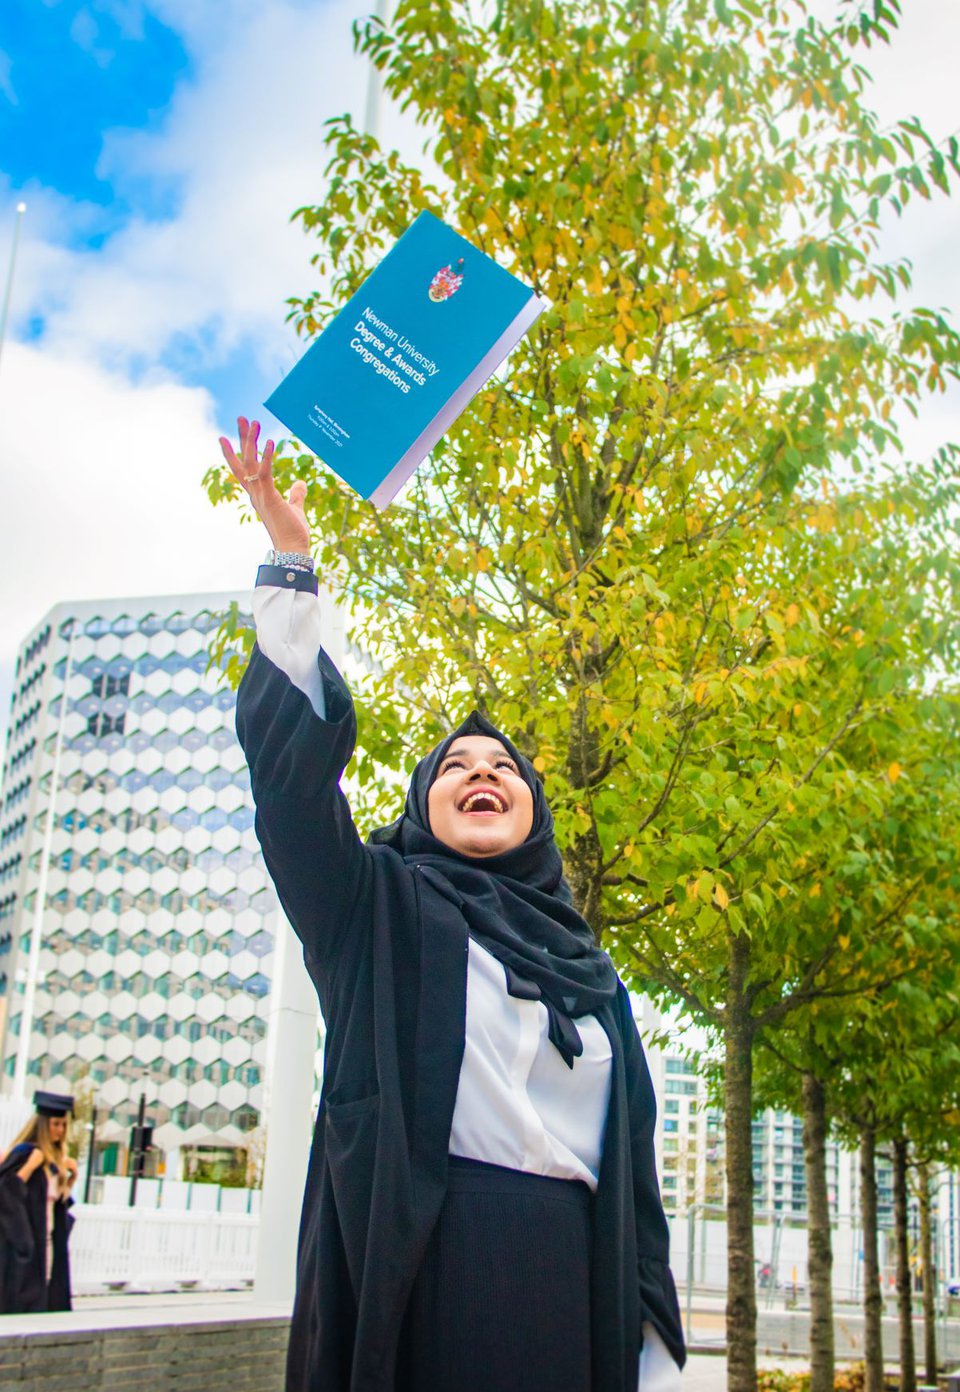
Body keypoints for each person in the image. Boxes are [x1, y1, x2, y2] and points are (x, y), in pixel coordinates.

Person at [221, 417, 686, 1392]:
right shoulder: (373, 908)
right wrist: (292, 567)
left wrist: (649, 1342)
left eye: (503, 768)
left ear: (535, 811)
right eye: (456, 770)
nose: (482, 775)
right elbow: (291, 788)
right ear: (423, 805)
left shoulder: (591, 972)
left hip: (574, 1279)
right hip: (428, 1270)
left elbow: (633, 1182)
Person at [0, 1091, 78, 1313]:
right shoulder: (25, 1153)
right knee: (25, 1299)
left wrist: (70, 1180)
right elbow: (5, 1194)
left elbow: (55, 1205)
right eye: (55, 1124)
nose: (60, 1130)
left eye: (63, 1125)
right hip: (24, 1244)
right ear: (43, 1124)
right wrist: (29, 1167)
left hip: (48, 1242)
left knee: (47, 1296)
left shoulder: (55, 1160)